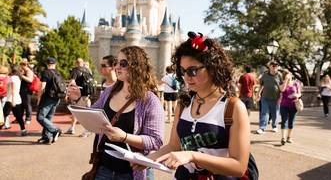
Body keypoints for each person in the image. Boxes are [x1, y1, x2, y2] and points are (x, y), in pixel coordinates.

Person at [135, 32, 250, 179]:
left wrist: (193, 156)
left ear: (212, 67)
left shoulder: (233, 107)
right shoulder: (184, 104)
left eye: (193, 70)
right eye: (183, 71)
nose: (187, 77)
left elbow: (239, 167)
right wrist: (146, 161)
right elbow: (173, 147)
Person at [68, 46, 165, 180]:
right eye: (116, 63)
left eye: (123, 63)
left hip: (132, 173)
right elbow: (91, 114)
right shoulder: (109, 92)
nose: (117, 67)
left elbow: (155, 141)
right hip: (103, 169)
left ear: (136, 66)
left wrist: (124, 137)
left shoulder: (150, 101)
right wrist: (78, 99)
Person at [36, 57, 63, 144]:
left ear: (47, 64)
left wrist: (39, 97)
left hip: (48, 98)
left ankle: (55, 130)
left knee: (40, 117)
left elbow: (42, 86)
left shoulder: (45, 72)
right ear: (55, 64)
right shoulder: (58, 73)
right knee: (48, 118)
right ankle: (46, 137)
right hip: (57, 98)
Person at [65, 58, 93, 135]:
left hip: (79, 95)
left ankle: (86, 130)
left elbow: (72, 81)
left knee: (78, 113)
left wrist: (67, 93)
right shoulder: (88, 70)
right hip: (87, 95)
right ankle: (72, 127)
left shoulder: (75, 70)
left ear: (76, 63)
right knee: (78, 112)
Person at [256, 61, 283, 134]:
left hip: (276, 98)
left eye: (276, 66)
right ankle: (262, 128)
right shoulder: (265, 75)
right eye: (273, 66)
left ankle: (274, 126)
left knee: (275, 113)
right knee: (264, 113)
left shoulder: (279, 75)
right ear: (269, 66)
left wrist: (281, 96)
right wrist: (258, 94)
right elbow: (261, 85)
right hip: (265, 97)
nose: (274, 67)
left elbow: (282, 86)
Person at [3, 65, 27, 136]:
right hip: (16, 99)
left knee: (4, 114)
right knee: (18, 116)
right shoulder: (18, 78)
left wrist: (13, 100)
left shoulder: (13, 78)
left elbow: (13, 90)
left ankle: (23, 130)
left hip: (11, 99)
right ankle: (23, 130)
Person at [279, 70, 301, 145]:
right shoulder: (282, 83)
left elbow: (299, 94)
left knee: (291, 122)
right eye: (286, 75)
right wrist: (286, 81)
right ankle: (283, 138)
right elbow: (282, 90)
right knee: (284, 121)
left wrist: (295, 95)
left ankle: (288, 137)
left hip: (293, 105)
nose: (288, 76)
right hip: (284, 105)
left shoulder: (296, 83)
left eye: (289, 75)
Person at [19, 58, 34, 125]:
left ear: (26, 65)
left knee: (27, 104)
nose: (21, 66)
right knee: (21, 104)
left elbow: (30, 80)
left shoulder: (29, 71)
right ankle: (19, 117)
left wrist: (21, 76)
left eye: (23, 65)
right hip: (22, 90)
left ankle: (28, 118)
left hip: (27, 90)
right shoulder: (23, 71)